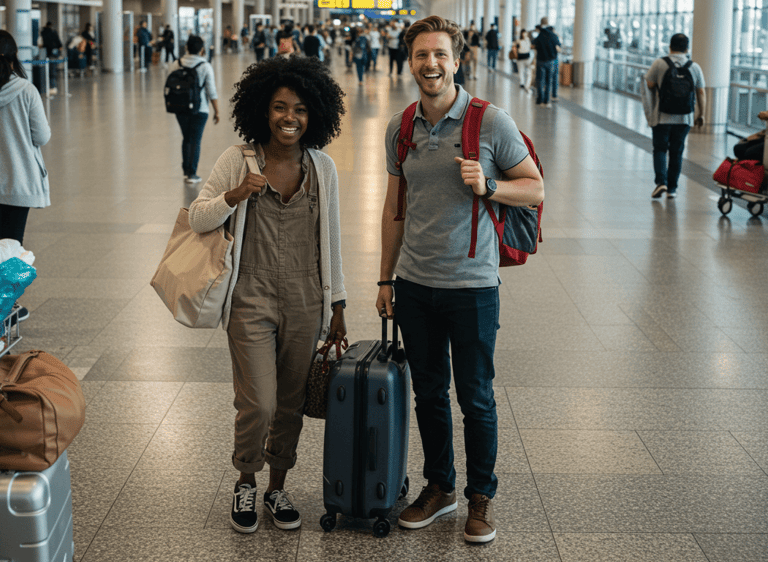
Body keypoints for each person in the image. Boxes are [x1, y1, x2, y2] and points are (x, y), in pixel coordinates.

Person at [377, 15, 544, 544]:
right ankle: (440, 487)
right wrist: (385, 279)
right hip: (415, 285)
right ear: (411, 61)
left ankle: (480, 496)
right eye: (422, 54)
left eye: (441, 54)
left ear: (458, 60)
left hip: (473, 286)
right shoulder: (400, 128)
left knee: (475, 397)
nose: (431, 63)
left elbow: (535, 189)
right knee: (428, 392)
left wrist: (490, 184)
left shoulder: (490, 121)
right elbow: (393, 210)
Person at [187, 54, 347, 535]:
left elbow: (332, 238)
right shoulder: (236, 160)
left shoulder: (322, 167)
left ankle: (278, 487)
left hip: (305, 299)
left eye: (299, 109)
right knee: (258, 401)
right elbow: (198, 217)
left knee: (291, 402)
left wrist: (338, 304)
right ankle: (246, 478)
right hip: (250, 297)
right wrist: (233, 196)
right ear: (263, 109)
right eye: (279, 107)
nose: (289, 118)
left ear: (313, 113)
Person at [0, 30, 52, 246]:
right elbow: (41, 136)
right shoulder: (26, 91)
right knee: (11, 248)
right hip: (17, 182)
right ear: (15, 55)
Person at [645, 33, 706, 199]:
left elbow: (649, 83)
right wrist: (701, 114)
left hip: (662, 115)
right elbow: (701, 92)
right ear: (687, 48)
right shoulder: (694, 67)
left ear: (670, 46)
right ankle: (672, 189)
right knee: (676, 152)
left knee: (660, 148)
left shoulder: (660, 63)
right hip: (684, 117)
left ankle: (661, 182)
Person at [168, 35, 220, 183]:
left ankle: (186, 170)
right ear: (202, 49)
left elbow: (170, 84)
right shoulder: (205, 66)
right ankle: (192, 174)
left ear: (186, 48)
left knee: (186, 138)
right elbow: (212, 91)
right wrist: (217, 111)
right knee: (195, 140)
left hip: (180, 107)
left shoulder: (176, 63)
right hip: (200, 109)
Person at [531, 17, 560, 107]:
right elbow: (558, 48)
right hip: (551, 61)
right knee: (548, 81)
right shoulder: (553, 35)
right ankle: (547, 101)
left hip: (540, 61)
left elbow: (532, 45)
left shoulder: (539, 35)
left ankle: (540, 99)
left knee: (540, 81)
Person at [40, 22, 62, 94]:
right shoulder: (53, 32)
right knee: (53, 70)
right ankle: (53, 87)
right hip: (54, 53)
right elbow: (59, 43)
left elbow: (41, 44)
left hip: (46, 53)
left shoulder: (43, 32)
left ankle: (49, 87)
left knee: (48, 70)